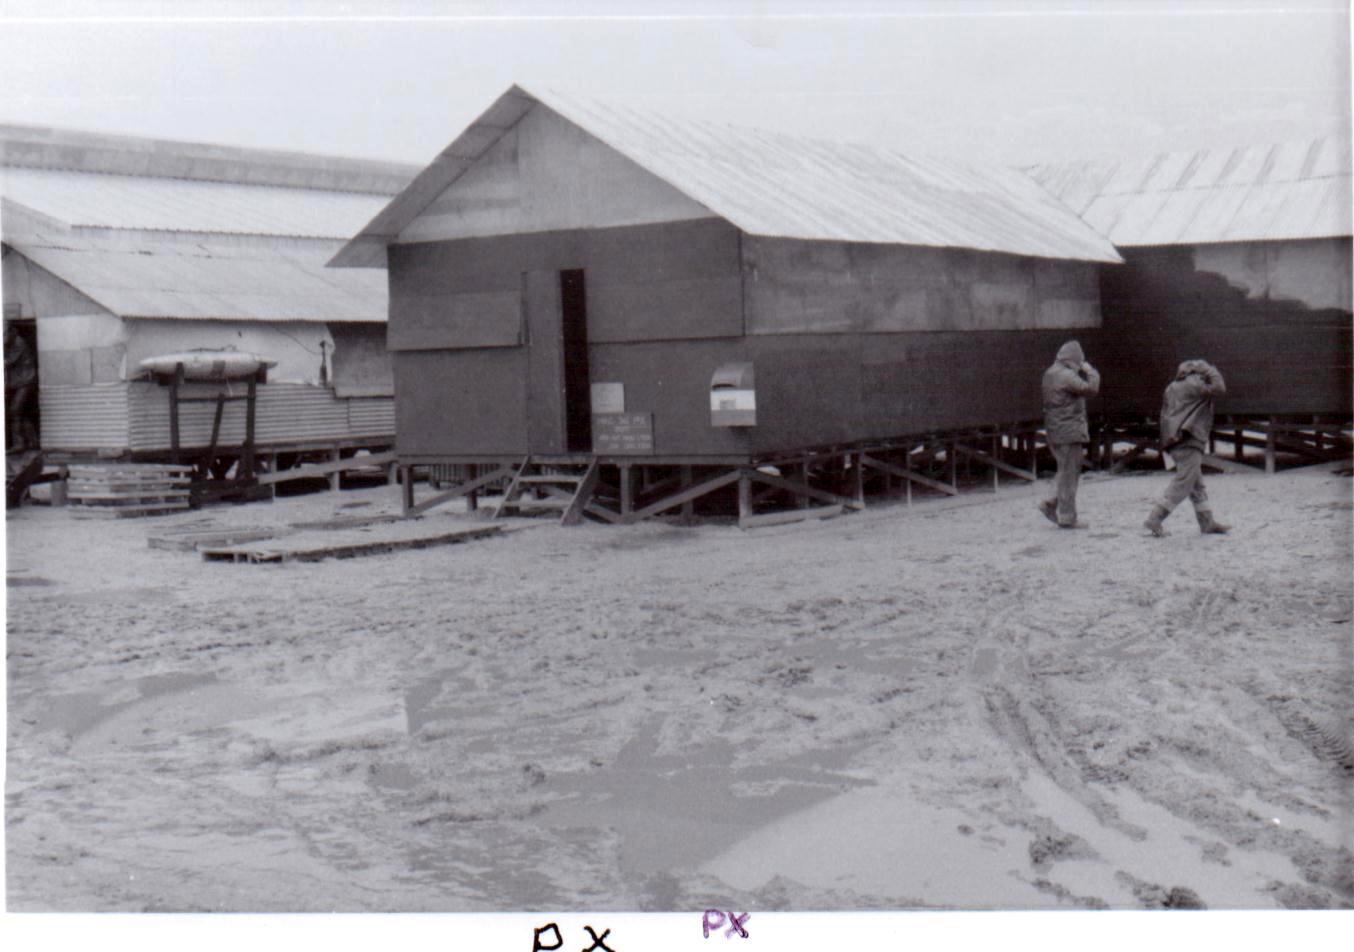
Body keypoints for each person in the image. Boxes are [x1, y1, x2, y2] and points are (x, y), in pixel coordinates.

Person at [1144, 359, 1230, 537]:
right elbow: (1220, 388)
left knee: (1196, 484)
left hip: (1175, 440)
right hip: (1189, 439)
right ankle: (1155, 518)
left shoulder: (1171, 387)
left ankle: (1207, 522)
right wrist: (1210, 369)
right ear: (1194, 373)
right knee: (1184, 482)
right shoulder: (1194, 384)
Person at [1038, 340, 1100, 529]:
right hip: (1069, 430)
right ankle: (1067, 517)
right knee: (1070, 473)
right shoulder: (1066, 375)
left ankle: (1050, 502)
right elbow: (1091, 389)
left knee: (1065, 470)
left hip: (1055, 429)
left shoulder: (1049, 373)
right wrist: (1090, 371)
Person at [4, 321, 37, 453]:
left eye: (4, 334)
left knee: (15, 410)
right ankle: (32, 441)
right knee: (20, 413)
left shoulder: (19, 343)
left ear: (11, 331)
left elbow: (7, 362)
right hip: (17, 382)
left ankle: (20, 443)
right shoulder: (11, 343)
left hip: (25, 381)